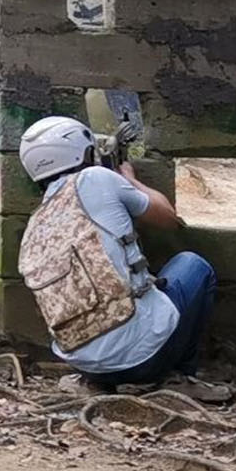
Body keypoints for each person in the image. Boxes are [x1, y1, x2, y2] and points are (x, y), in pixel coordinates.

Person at [15, 115, 218, 393]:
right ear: (82, 152)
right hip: (145, 360)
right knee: (194, 265)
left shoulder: (34, 226)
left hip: (83, 364)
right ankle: (179, 376)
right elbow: (168, 219)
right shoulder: (96, 179)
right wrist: (130, 180)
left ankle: (97, 381)